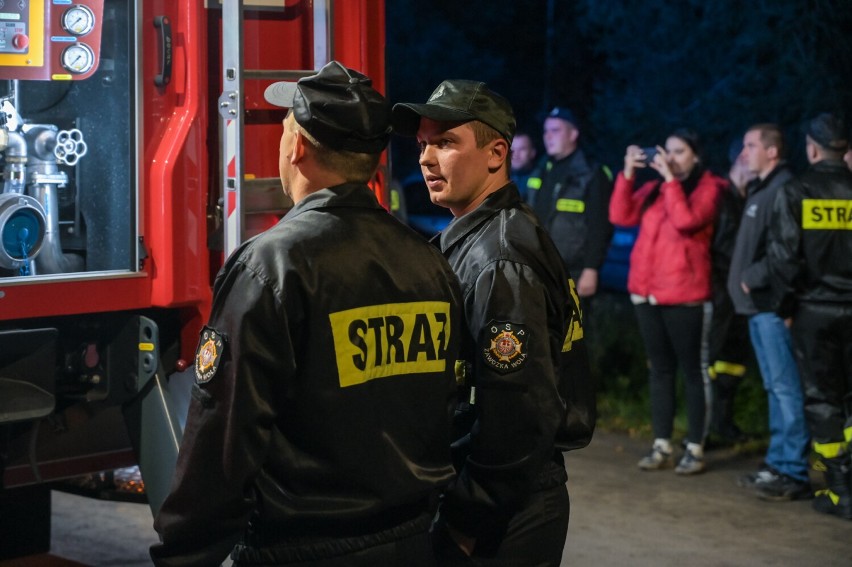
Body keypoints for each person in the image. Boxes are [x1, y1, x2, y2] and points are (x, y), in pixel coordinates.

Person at [150, 61, 464, 566]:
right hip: (411, 542)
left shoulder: (270, 265)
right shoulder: (428, 260)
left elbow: (225, 434)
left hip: (300, 549)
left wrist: (185, 554)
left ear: (296, 148)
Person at [392, 80, 595, 566]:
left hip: (505, 509)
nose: (425, 159)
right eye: (422, 144)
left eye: (445, 142)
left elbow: (518, 414)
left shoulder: (500, 256)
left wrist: (465, 524)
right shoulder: (484, 234)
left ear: (495, 152)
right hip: (498, 495)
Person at [609, 129, 723, 475]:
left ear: (696, 157)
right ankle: (662, 444)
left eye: (679, 151)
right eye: (667, 151)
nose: (671, 158)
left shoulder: (709, 188)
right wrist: (628, 173)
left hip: (686, 294)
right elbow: (620, 216)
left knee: (693, 372)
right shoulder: (655, 188)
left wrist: (671, 181)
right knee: (659, 371)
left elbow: (687, 221)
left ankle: (695, 447)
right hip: (647, 293)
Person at [767, 112, 852, 519]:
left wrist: (786, 308)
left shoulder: (796, 191)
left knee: (823, 399)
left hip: (814, 312)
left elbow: (783, 260)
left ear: (812, 148)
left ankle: (838, 490)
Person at [728, 123, 811, 501]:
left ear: (772, 151)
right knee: (775, 387)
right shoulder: (764, 188)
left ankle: (792, 469)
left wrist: (752, 276)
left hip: (770, 305)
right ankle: (779, 463)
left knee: (785, 388)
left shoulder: (783, 190)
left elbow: (789, 250)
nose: (743, 153)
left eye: (750, 145)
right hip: (756, 306)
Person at [526, 107, 613, 303]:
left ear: (573, 134)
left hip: (572, 270)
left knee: (569, 331)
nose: (548, 136)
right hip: (537, 265)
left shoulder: (592, 173)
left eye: (555, 131)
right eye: (546, 131)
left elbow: (600, 226)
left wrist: (591, 268)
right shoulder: (541, 169)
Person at [704, 141, 756, 446]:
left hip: (742, 291)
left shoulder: (751, 196)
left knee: (734, 360)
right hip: (718, 289)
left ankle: (724, 423)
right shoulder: (719, 194)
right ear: (741, 156)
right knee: (709, 358)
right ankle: (703, 429)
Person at [510, 130, 537, 199]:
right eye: (512, 149)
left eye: (522, 149)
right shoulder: (496, 178)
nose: (516, 154)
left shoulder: (543, 177)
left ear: (532, 152)